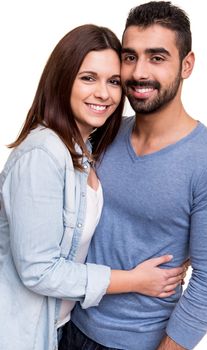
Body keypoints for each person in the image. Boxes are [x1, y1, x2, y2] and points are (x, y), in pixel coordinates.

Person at [0, 23, 188, 350]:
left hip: (62, 328)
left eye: (113, 81)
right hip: (22, 334)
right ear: (62, 80)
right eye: (88, 78)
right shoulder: (44, 154)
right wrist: (135, 281)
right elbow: (38, 271)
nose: (103, 93)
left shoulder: (84, 150)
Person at [59, 2, 207, 350]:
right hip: (67, 324)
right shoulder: (103, 135)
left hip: (138, 342)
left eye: (157, 57)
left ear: (187, 65)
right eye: (130, 56)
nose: (139, 72)